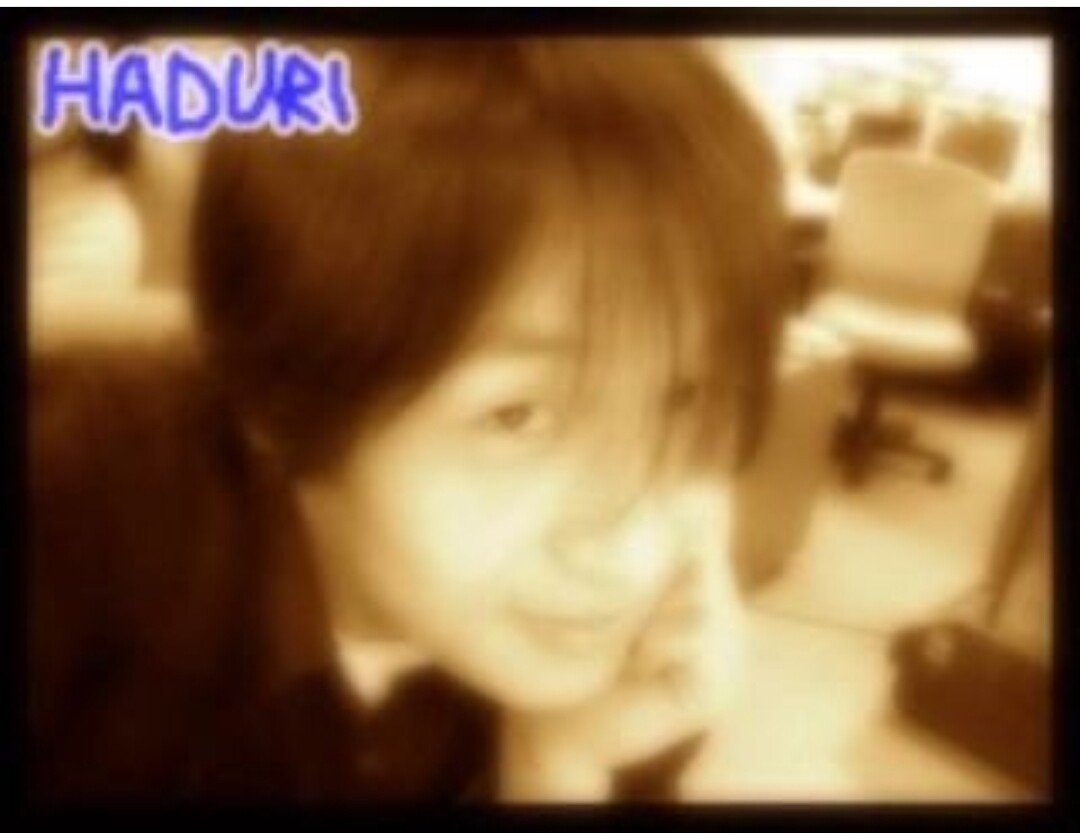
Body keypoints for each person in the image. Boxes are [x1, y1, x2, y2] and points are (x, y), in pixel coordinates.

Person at [29, 37, 784, 802]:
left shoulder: (628, 660)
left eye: (684, 400)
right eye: (518, 415)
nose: (629, 548)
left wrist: (556, 771)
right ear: (285, 393)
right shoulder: (76, 519)